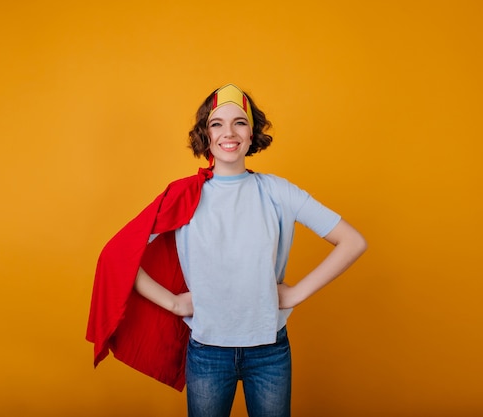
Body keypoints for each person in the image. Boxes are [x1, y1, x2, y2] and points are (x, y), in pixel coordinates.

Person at [87, 84, 366, 417]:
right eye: (217, 124)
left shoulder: (277, 192)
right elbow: (118, 256)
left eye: (240, 122)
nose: (228, 132)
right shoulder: (185, 196)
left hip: (269, 351)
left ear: (252, 134)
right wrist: (174, 302)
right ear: (206, 135)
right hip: (207, 352)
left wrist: (295, 295)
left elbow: (352, 241)